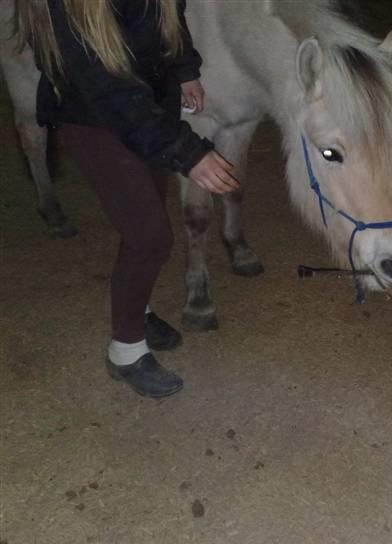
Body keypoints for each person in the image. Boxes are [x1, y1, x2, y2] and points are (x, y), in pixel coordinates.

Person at [14, 0, 238, 398]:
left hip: (148, 110)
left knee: (144, 219)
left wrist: (185, 72)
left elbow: (171, 18)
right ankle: (126, 353)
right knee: (150, 237)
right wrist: (187, 152)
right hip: (93, 119)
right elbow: (105, 88)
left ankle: (139, 307)